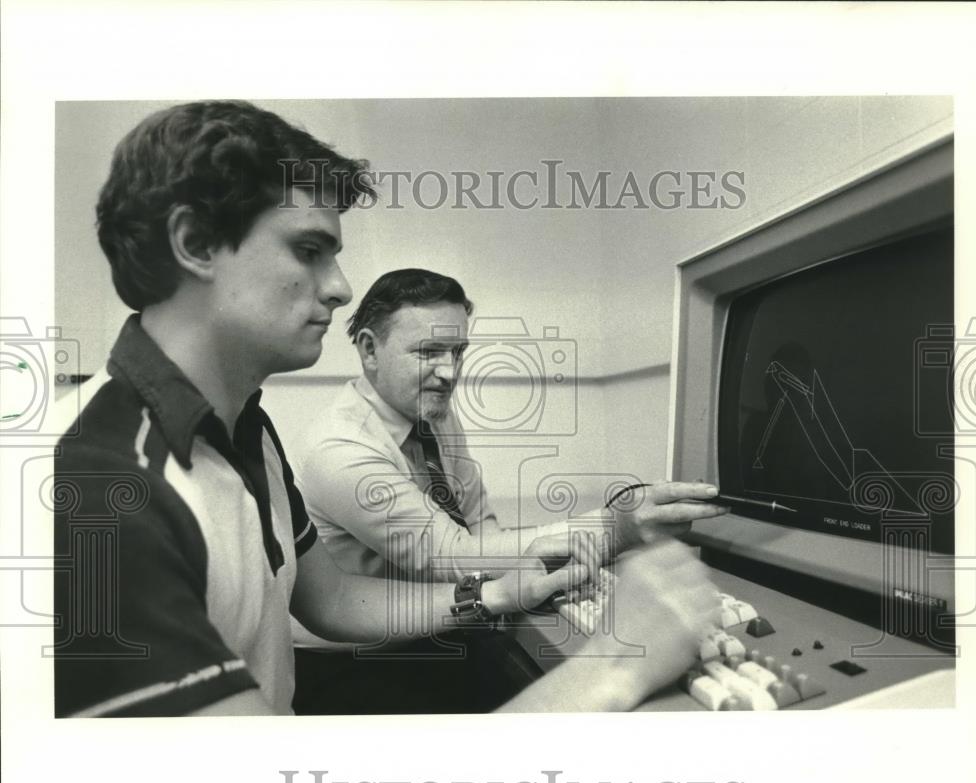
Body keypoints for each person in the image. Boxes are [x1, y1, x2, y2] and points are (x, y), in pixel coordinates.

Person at [53, 100, 715, 718]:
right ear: (195, 243)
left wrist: (492, 595)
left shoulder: (246, 430)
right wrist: (616, 664)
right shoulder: (97, 484)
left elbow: (332, 597)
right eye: (309, 250)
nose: (340, 288)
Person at [290, 268, 728, 712]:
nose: (449, 372)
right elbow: (449, 555)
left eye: (458, 351)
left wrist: (542, 571)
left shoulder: (431, 411)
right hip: (359, 665)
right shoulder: (339, 447)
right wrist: (616, 527)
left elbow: (478, 519)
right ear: (369, 349)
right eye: (430, 352)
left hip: (440, 627)